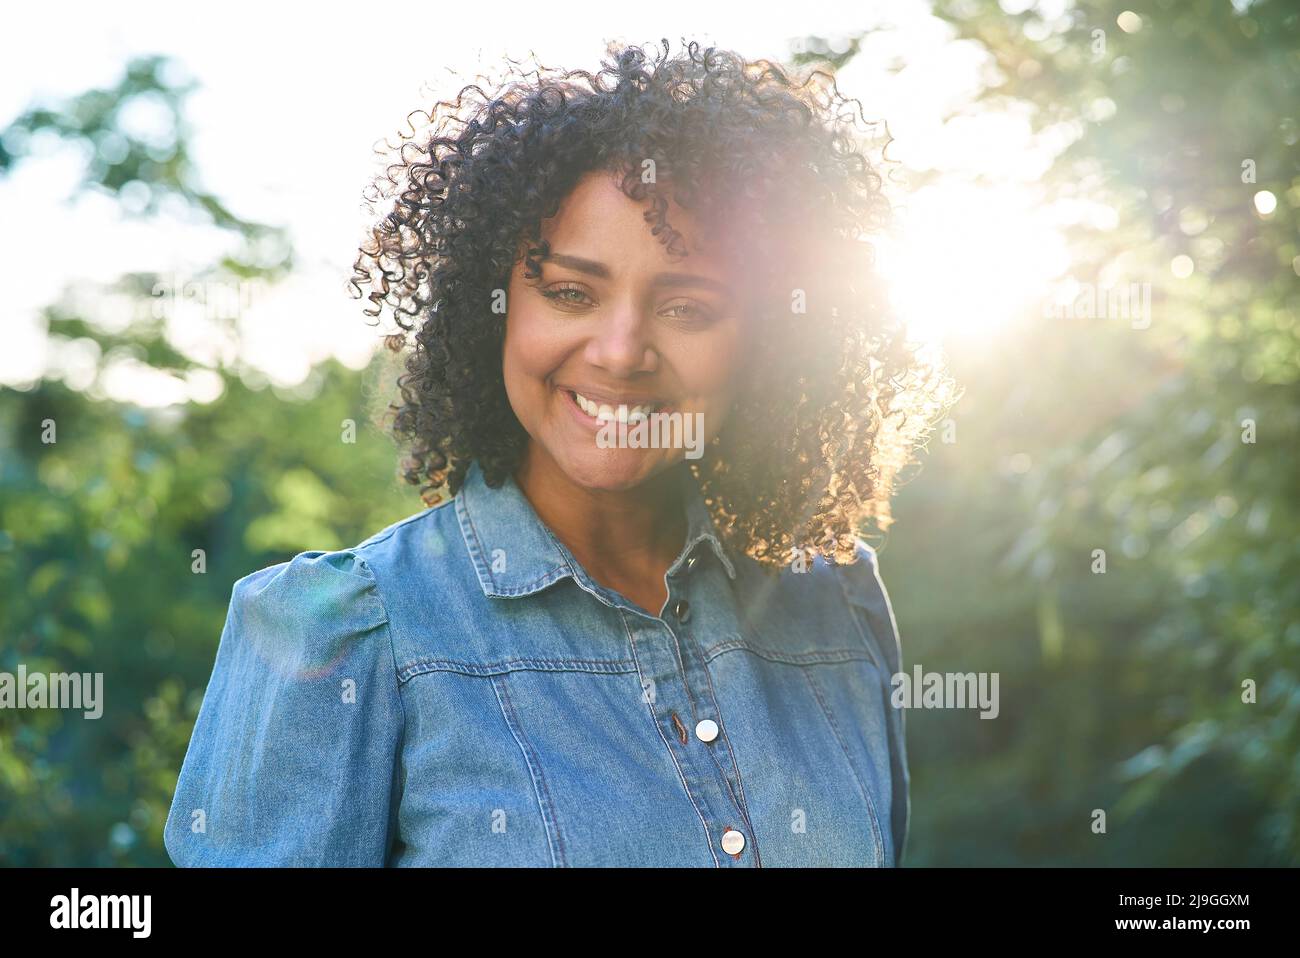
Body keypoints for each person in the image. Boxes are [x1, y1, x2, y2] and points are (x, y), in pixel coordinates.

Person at [165, 38, 953, 867]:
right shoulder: (341, 634)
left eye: (687, 307)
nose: (620, 352)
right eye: (571, 292)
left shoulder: (836, 598)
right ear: (492, 307)